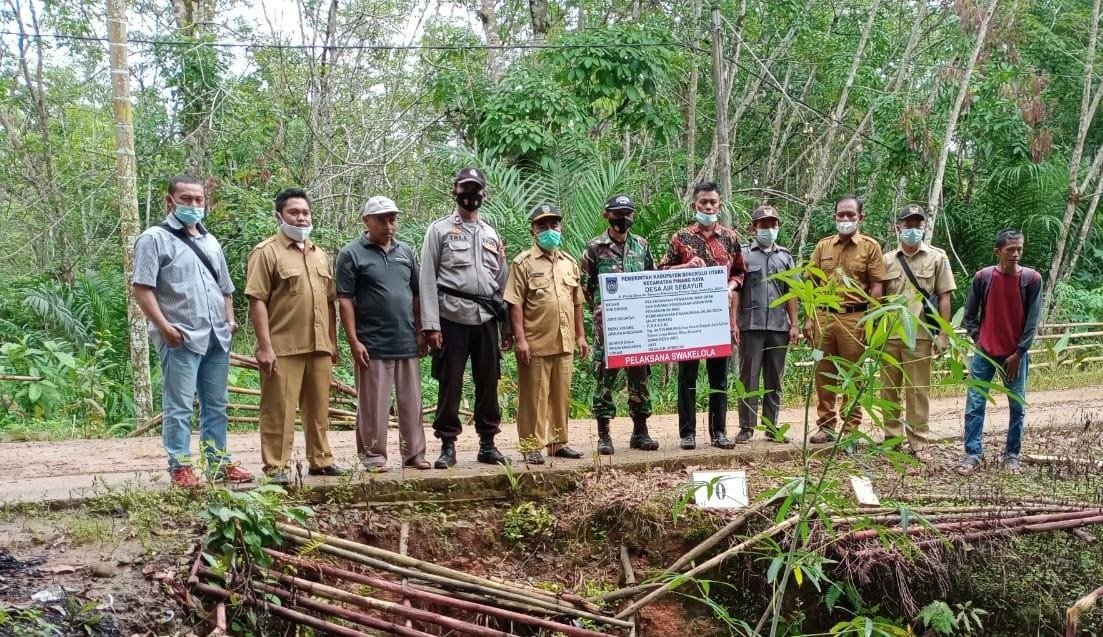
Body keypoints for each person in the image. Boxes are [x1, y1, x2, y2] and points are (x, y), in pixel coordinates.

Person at [131, 175, 253, 488]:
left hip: (216, 337)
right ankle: (180, 467)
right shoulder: (153, 239)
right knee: (179, 406)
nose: (194, 205)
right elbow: (143, 289)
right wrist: (165, 327)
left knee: (216, 405)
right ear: (170, 201)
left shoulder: (209, 241)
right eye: (187, 199)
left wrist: (229, 320)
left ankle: (218, 463)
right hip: (181, 338)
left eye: (199, 200)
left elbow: (225, 288)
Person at [245, 188, 344, 483]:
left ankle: (321, 461)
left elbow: (329, 301)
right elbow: (257, 299)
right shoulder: (267, 252)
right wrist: (265, 346)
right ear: (280, 216)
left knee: (319, 409)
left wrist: (332, 341)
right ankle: (277, 467)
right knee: (279, 411)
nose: (301, 218)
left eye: (305, 213)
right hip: (283, 347)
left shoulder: (320, 255)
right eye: (294, 213)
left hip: (319, 346)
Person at [419, 167, 510, 468]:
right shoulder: (439, 230)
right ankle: (447, 445)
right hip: (450, 317)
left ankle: (488, 442)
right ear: (454, 191)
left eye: (476, 189)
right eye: (465, 188)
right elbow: (427, 279)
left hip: (485, 318)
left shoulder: (491, 234)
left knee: (488, 381)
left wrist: (505, 324)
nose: (470, 195)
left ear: (484, 194)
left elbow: (501, 280)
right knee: (450, 382)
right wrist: (430, 324)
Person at [337, 196, 431, 472]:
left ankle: (414, 454)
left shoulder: (405, 252)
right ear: (366, 220)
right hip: (372, 342)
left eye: (392, 219)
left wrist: (421, 331)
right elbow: (345, 300)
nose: (389, 225)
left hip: (406, 339)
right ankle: (373, 456)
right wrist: (354, 341)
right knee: (373, 405)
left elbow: (415, 295)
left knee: (411, 402)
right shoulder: (351, 254)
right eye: (381, 219)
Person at [658, 181, 747, 450]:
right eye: (703, 203)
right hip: (688, 320)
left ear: (719, 205)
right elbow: (661, 271)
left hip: (719, 319)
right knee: (688, 377)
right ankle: (688, 433)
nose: (708, 207)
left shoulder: (731, 238)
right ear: (694, 205)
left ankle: (718, 432)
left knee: (719, 377)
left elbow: (740, 274)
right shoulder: (681, 238)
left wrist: (730, 290)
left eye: (712, 203)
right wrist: (685, 266)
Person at [505, 203, 588, 465]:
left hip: (564, 341)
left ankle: (558, 442)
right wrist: (520, 340)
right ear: (533, 231)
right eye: (543, 226)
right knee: (534, 397)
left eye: (554, 225)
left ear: (560, 228)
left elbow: (577, 302)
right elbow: (515, 302)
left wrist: (581, 336)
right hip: (535, 341)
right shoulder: (523, 263)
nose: (549, 230)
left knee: (560, 395)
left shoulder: (569, 263)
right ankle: (531, 445)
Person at [805, 195, 888, 444]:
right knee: (824, 373)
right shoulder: (823, 247)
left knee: (853, 374)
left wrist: (871, 320)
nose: (845, 219)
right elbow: (811, 283)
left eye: (850, 215)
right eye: (841, 215)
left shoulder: (870, 247)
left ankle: (851, 428)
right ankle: (826, 425)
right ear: (834, 217)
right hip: (824, 317)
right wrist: (809, 318)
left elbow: (877, 287)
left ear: (860, 217)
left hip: (855, 318)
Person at [957, 229, 1042, 475]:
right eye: (1010, 250)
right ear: (998, 251)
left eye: (1019, 249)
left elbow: (1033, 321)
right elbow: (970, 314)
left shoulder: (1032, 280)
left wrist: (1020, 352)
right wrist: (977, 339)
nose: (1015, 254)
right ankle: (972, 454)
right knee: (975, 403)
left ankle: (1012, 455)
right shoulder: (983, 277)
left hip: (1015, 355)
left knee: (1017, 405)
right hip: (985, 352)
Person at [580, 194, 659, 455]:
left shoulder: (642, 245)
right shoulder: (594, 247)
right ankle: (604, 434)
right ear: (607, 216)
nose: (622, 219)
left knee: (640, 377)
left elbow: (651, 279)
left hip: (638, 325)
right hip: (608, 327)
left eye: (627, 213)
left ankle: (640, 432)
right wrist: (602, 310)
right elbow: (585, 287)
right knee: (605, 377)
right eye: (617, 214)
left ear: (633, 216)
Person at [879, 205, 956, 462]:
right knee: (888, 388)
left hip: (921, 333)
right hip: (890, 334)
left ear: (924, 227)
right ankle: (892, 438)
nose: (912, 229)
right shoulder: (886, 259)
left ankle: (918, 442)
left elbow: (945, 297)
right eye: (907, 224)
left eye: (917, 224)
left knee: (918, 390)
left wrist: (943, 334)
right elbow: (878, 298)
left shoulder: (937, 257)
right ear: (898, 227)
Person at [734, 205, 800, 444]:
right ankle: (746, 427)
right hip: (751, 326)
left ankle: (772, 426)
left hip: (779, 327)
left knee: (775, 377)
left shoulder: (785, 256)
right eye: (764, 225)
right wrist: (735, 323)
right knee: (748, 377)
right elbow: (737, 290)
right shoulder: (743, 254)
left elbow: (792, 292)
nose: (769, 229)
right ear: (754, 228)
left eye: (773, 225)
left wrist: (795, 325)